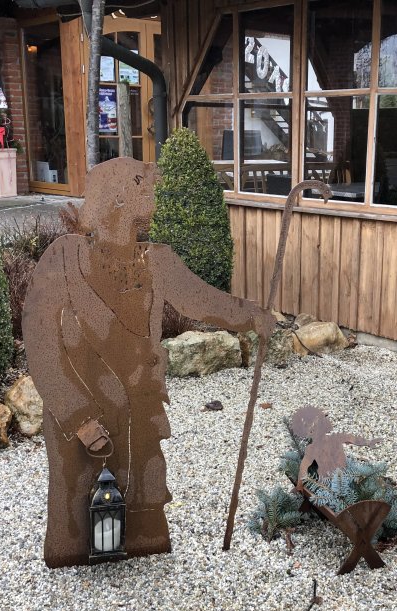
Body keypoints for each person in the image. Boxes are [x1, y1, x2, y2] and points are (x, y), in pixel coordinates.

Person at [23, 158, 274, 568]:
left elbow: (202, 300)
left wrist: (252, 315)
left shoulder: (157, 260)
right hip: (85, 408)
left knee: (144, 491)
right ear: (119, 197)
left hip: (141, 405)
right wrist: (78, 417)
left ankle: (137, 543)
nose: (154, 196)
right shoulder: (64, 258)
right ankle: (79, 550)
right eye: (145, 188)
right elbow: (40, 341)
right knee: (79, 495)